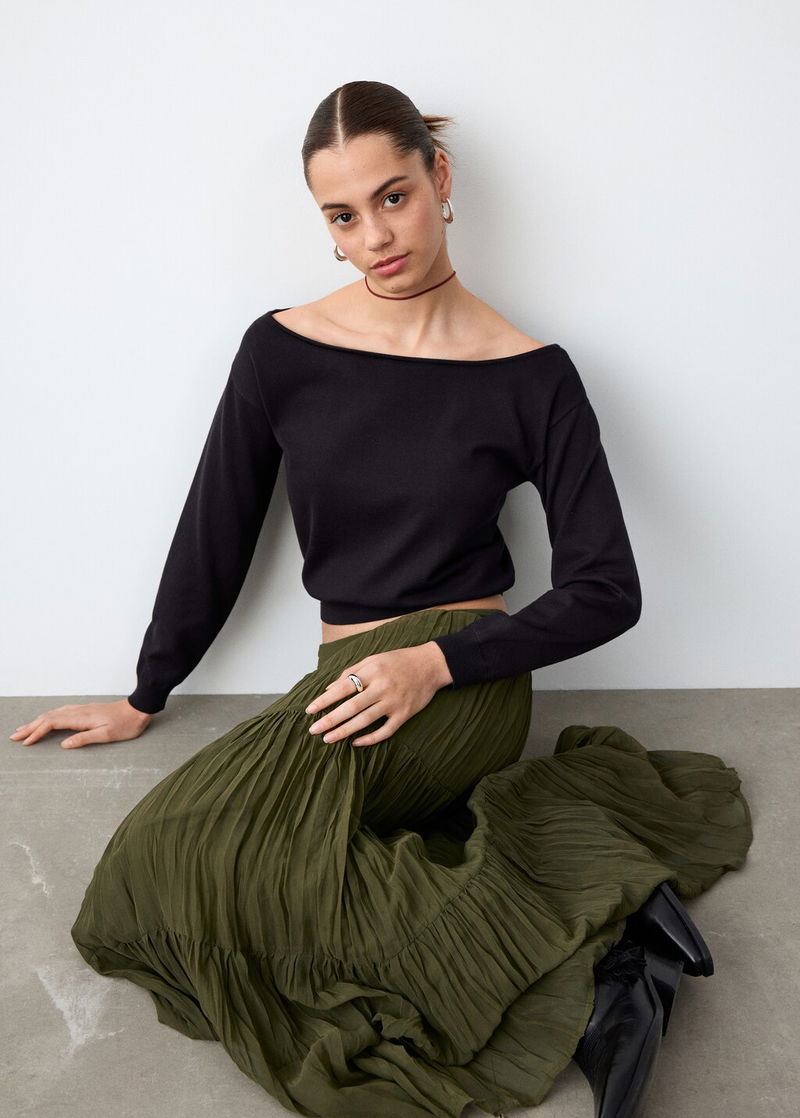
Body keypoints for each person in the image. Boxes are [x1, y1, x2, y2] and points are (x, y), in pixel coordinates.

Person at [11, 81, 753, 1118]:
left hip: (461, 675)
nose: (373, 237)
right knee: (169, 869)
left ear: (439, 178)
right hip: (347, 673)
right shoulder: (280, 350)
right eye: (343, 214)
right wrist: (146, 690)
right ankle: (610, 950)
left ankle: (592, 978)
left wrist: (434, 663)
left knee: (180, 853)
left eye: (392, 197)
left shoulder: (530, 374)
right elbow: (216, 528)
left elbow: (606, 588)